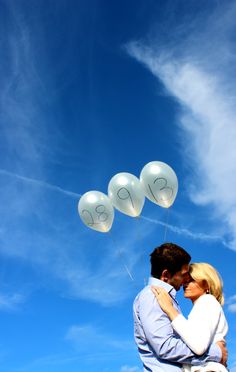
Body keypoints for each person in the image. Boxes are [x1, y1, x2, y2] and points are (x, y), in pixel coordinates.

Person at [133, 243, 227, 371]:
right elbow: (165, 346)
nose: (185, 280)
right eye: (183, 275)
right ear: (166, 275)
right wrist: (217, 353)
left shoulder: (169, 299)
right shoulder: (154, 296)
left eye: (191, 278)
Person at [151, 262, 228, 372]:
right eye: (184, 280)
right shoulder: (202, 306)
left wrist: (170, 309)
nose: (185, 284)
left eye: (191, 280)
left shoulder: (208, 301)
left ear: (207, 285)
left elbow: (199, 346)